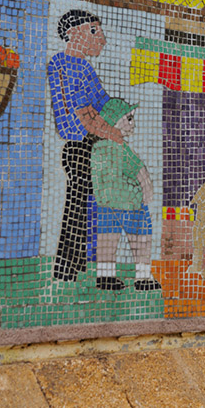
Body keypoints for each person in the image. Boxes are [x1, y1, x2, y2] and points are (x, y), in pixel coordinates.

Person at [47, 9, 124, 282]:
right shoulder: (63, 64)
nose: (101, 39)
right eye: (94, 31)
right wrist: (112, 132)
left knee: (92, 206)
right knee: (77, 208)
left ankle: (81, 265)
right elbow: (85, 113)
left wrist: (121, 114)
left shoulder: (85, 68)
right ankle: (66, 268)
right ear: (72, 33)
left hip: (94, 145)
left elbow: (103, 104)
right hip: (79, 147)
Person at [90, 98, 159, 291]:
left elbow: (97, 178)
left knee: (107, 240)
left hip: (106, 204)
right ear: (115, 122)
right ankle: (143, 277)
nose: (132, 124)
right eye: (128, 119)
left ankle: (105, 276)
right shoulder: (121, 149)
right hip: (131, 203)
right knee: (141, 238)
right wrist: (147, 192)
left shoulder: (97, 149)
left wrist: (102, 196)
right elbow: (141, 172)